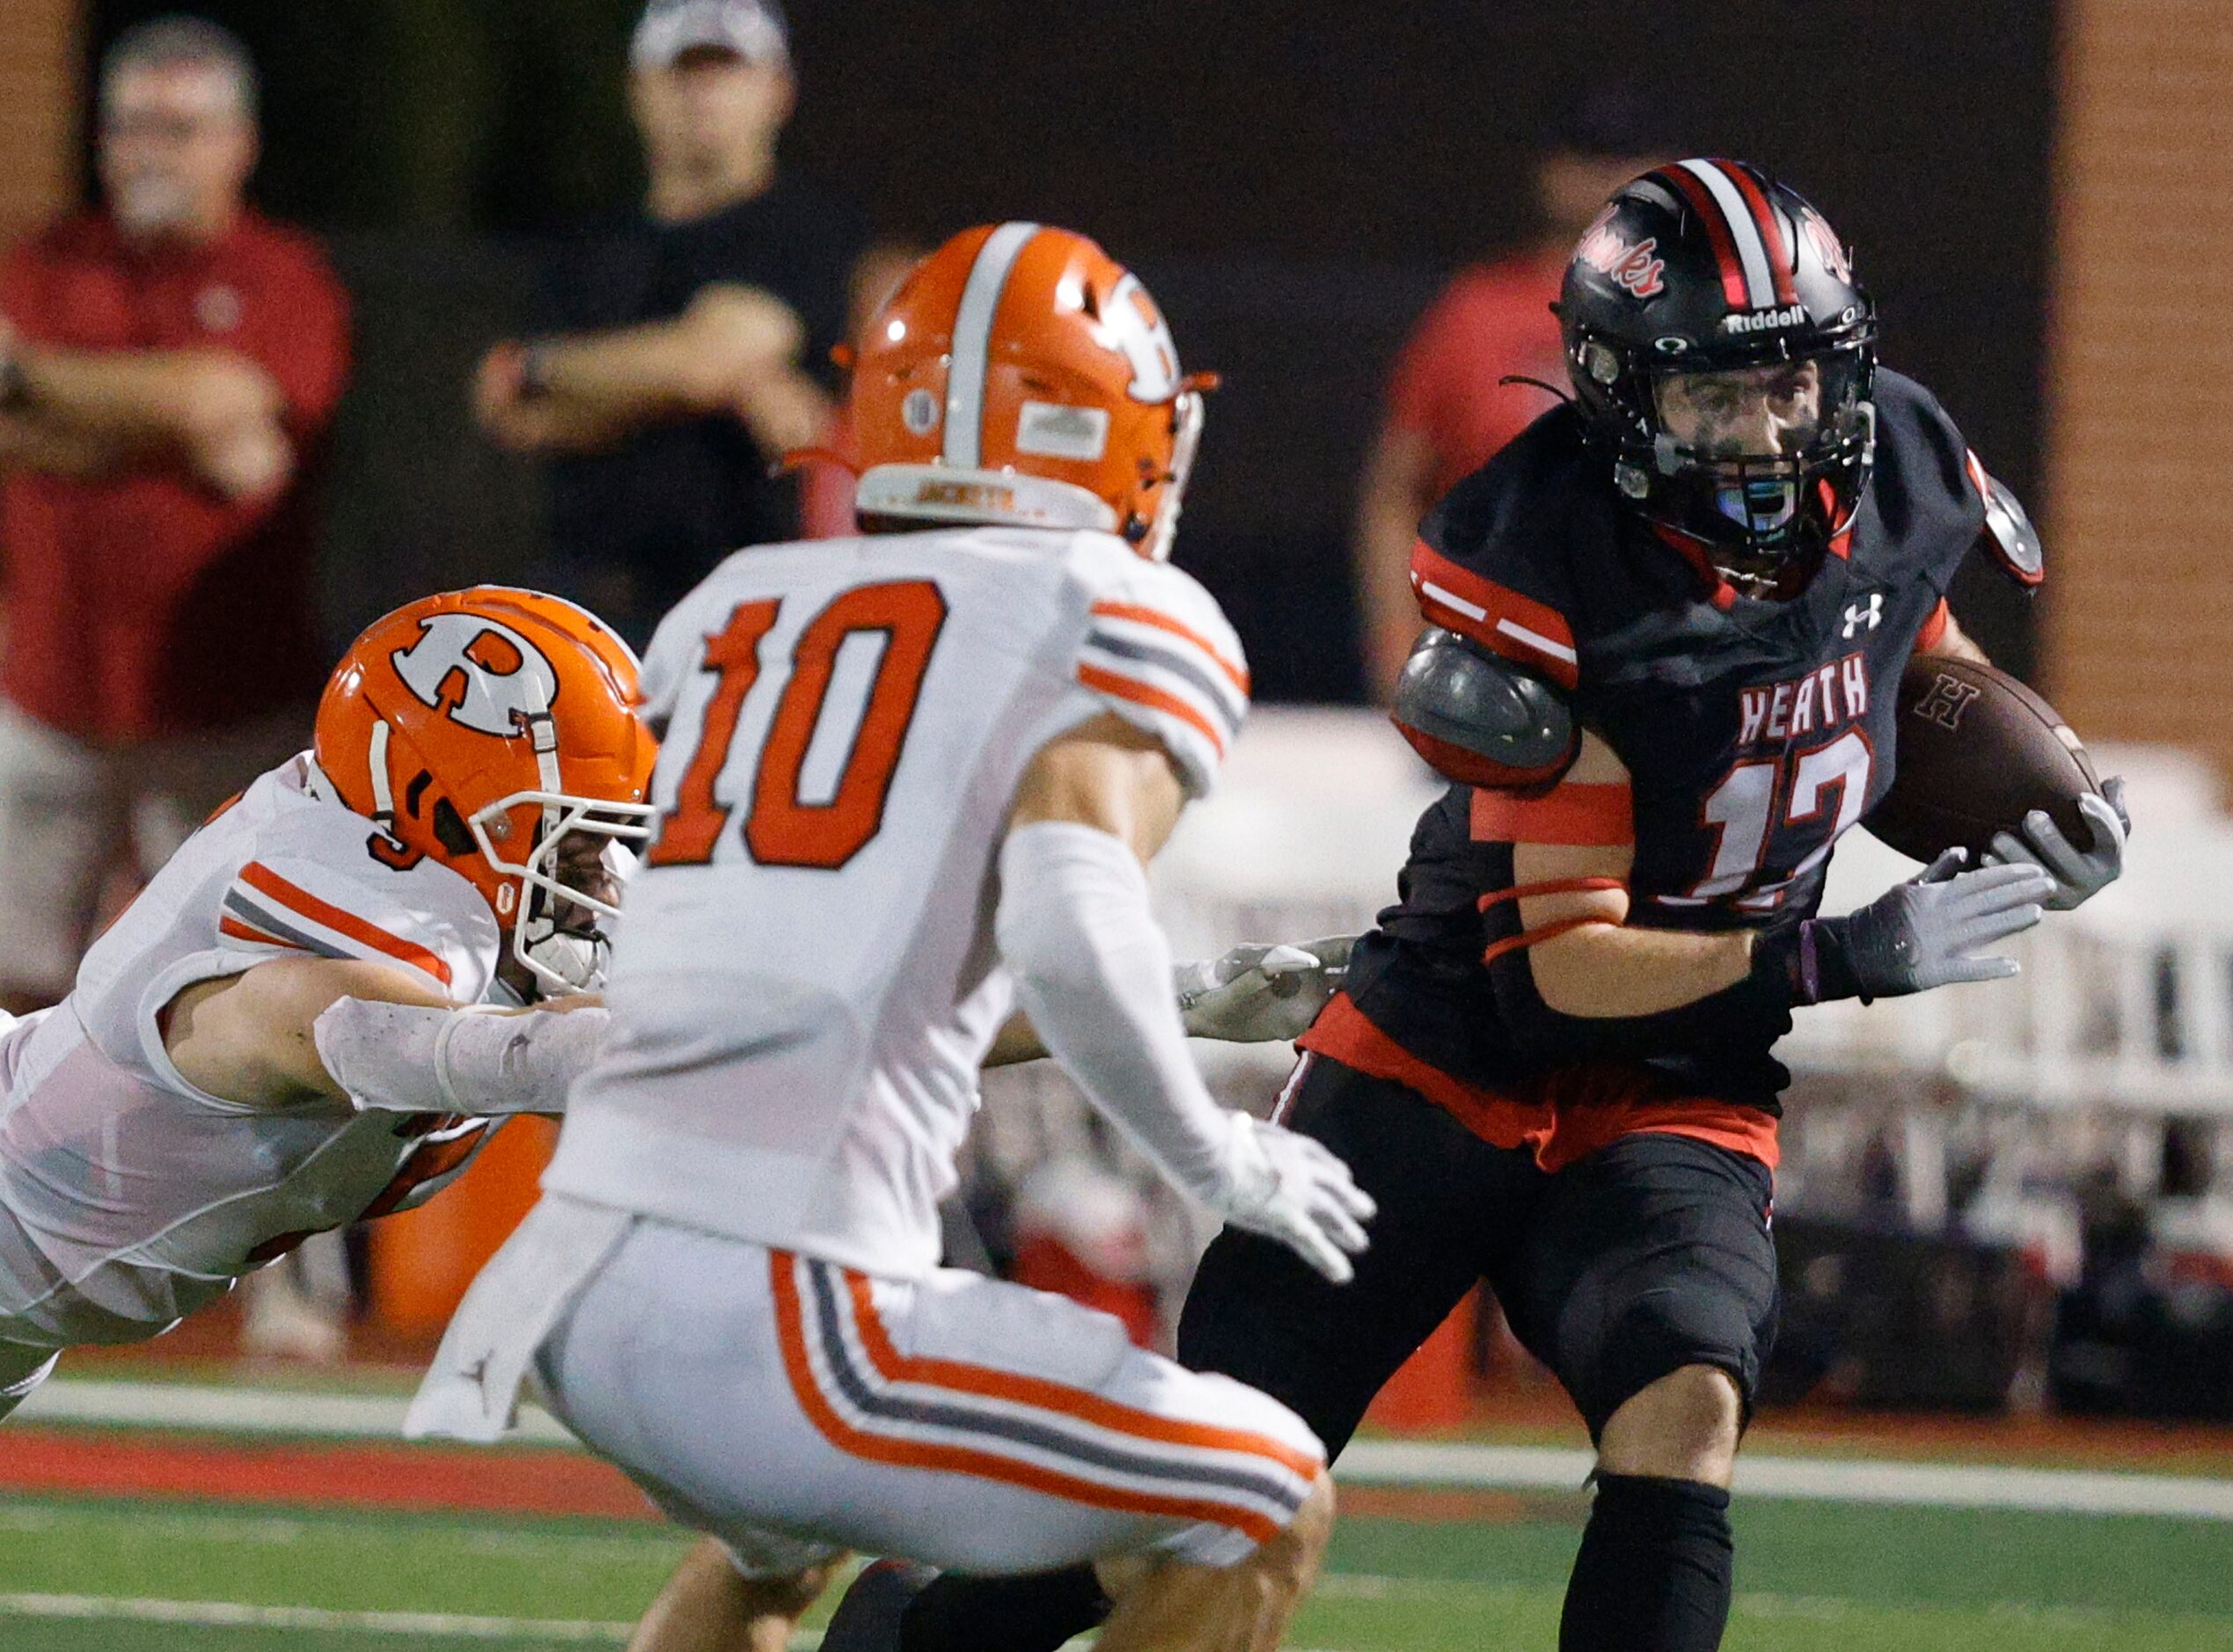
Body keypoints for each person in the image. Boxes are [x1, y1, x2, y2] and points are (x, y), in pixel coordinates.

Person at [816, 162, 2131, 1652]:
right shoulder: (1546, 554)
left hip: (1671, 1090)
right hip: (1437, 1067)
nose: (1766, 435)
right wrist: (1846, 949)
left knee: (1683, 1404)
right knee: (1213, 1494)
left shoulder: (1892, 464)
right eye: (1713, 399)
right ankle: (917, 1632)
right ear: (1618, 399)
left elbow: (1903, 662)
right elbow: (1563, 967)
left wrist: (2036, 801)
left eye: (1787, 382)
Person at [408, 223, 1378, 1652]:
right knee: (1258, 1498)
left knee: (772, 1549)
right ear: (1098, 428)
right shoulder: (1108, 606)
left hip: (567, 1286)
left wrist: (1172, 1001)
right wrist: (1214, 1153)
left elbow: (828, 970)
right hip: (785, 1309)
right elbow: (1061, 911)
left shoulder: (738, 609)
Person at [0, 586, 662, 1421]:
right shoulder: (350, 924)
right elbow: (350, 1029)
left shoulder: (432, 878)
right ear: (437, 809)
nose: (602, 874)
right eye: (573, 837)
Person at [0, 15, 351, 1019]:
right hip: (50, 695)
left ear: (239, 144)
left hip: (222, 712)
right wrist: (176, 426)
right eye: (131, 125)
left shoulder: (283, 275)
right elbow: (204, 418)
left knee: (217, 995)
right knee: (15, 985)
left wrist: (35, 390)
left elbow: (233, 410)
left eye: (179, 127)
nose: (148, 149)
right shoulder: (48, 262)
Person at [473, 0, 873, 648]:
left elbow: (701, 365)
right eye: (681, 71)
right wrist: (719, 380)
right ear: (639, 92)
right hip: (584, 611)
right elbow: (513, 409)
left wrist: (554, 367)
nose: (702, 93)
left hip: (752, 615)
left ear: (778, 91)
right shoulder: (588, 245)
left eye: (726, 70)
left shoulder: (806, 230)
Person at [1353, 97, 1660, 700]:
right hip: (1486, 663)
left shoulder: (1689, 320)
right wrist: (1396, 643)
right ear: (1549, 174)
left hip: (1646, 666)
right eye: (1587, 158)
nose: (1601, 179)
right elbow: (1394, 493)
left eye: (1622, 161)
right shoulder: (1476, 311)